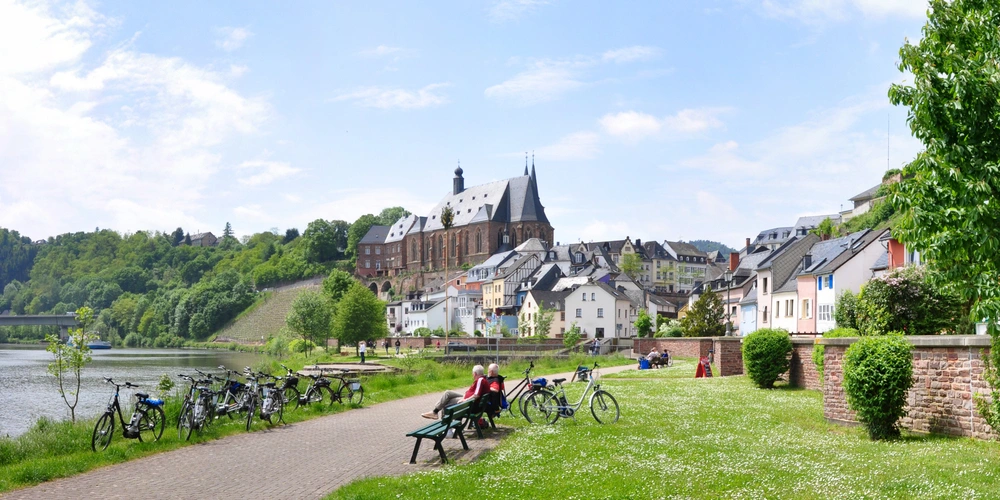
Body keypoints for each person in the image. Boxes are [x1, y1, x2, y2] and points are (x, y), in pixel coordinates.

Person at [422, 365, 489, 419]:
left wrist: (465, 400)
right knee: (448, 393)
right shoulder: (483, 379)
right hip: (469, 401)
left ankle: (437, 415)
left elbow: (476, 395)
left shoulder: (480, 380)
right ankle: (435, 411)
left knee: (446, 402)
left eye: (472, 373)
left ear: (474, 374)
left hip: (469, 403)